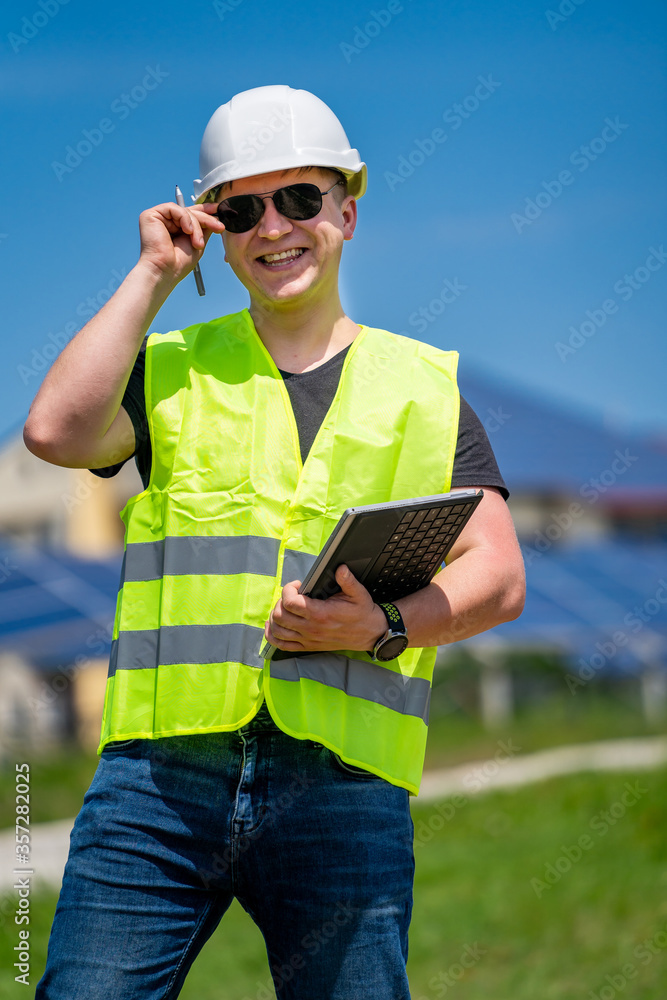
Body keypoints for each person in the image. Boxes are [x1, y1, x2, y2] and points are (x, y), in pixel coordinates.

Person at [25, 85, 525, 999]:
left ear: (346, 211)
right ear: (214, 225)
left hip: (340, 786)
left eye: (299, 198)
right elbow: (56, 432)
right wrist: (152, 277)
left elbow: (497, 575)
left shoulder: (423, 389)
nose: (274, 227)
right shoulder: (170, 367)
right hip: (156, 782)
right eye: (242, 207)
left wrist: (383, 629)